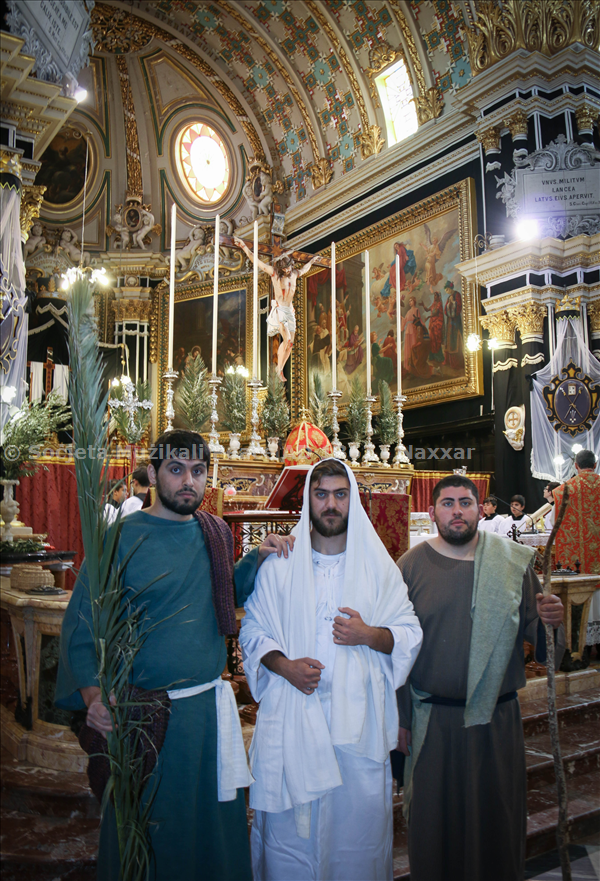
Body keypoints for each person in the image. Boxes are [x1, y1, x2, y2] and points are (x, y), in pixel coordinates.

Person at [56, 429, 295, 881]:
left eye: (199, 471)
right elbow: (82, 626)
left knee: (210, 833)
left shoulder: (215, 532)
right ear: (153, 473)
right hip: (143, 717)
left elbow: (223, 594)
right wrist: (93, 697)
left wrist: (257, 559)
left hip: (207, 715)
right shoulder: (118, 540)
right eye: (177, 469)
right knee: (146, 836)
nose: (189, 480)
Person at [240, 458, 423, 881]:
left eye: (340, 494)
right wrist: (284, 667)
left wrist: (368, 635)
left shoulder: (380, 570)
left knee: (354, 846)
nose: (331, 504)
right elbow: (252, 632)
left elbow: (409, 633)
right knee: (291, 848)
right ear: (309, 500)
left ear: (352, 499)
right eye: (321, 494)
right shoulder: (280, 566)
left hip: (355, 734)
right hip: (292, 726)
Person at [396, 474, 564, 881]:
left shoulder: (511, 563)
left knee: (496, 824)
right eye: (448, 503)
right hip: (433, 723)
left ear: (480, 509)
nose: (457, 511)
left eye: (466, 502)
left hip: (495, 722)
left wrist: (550, 622)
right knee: (435, 828)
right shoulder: (409, 567)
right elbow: (396, 651)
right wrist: (399, 720)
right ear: (432, 511)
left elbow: (541, 644)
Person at [233, 237, 320, 381]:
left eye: (288, 267)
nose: (286, 270)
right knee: (286, 339)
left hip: (290, 311)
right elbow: (257, 262)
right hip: (280, 310)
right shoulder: (275, 274)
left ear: (291, 265)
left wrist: (311, 261)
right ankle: (279, 369)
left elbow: (304, 269)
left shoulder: (294, 274)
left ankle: (280, 367)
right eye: (284, 268)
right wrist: (243, 247)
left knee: (290, 343)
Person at [554, 449, 599, 649]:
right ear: (595, 465)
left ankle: (580, 649)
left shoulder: (564, 490)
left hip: (579, 565)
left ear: (576, 466)